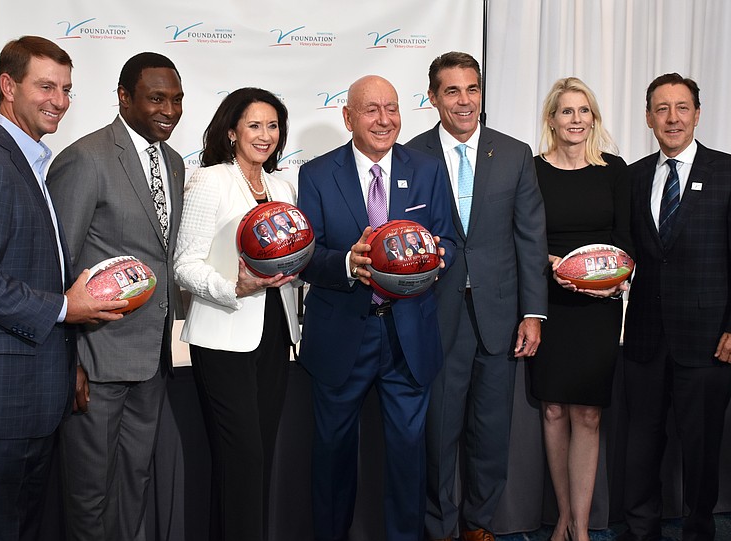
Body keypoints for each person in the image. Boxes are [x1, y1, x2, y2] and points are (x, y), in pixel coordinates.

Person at [0, 36, 126, 541]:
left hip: (26, 401)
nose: (59, 100)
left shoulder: (26, 161)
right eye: (46, 86)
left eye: (66, 89)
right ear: (8, 86)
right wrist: (63, 307)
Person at [297, 74, 456, 541]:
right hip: (343, 332)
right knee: (332, 455)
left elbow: (446, 239)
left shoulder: (427, 169)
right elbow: (306, 256)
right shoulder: (317, 174)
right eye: (371, 109)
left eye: (391, 108)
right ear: (348, 117)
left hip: (407, 336)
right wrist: (351, 262)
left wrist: (433, 259)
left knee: (408, 459)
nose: (384, 119)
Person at [619, 73, 731, 541]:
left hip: (709, 342)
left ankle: (699, 530)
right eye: (661, 108)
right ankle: (641, 530)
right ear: (648, 117)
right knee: (642, 442)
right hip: (645, 338)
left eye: (682, 107)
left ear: (697, 114)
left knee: (702, 447)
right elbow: (627, 251)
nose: (672, 118)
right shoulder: (635, 174)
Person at [405, 51, 547, 541]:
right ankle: (439, 527)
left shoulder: (514, 153)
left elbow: (530, 238)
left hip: (500, 315)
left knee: (491, 432)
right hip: (435, 313)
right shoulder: (412, 155)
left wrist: (533, 313)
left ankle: (479, 526)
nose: (465, 102)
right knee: (438, 433)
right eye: (452, 91)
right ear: (433, 98)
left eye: (473, 89)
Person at [47, 52, 185, 541]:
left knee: (136, 484)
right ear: (123, 97)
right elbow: (54, 265)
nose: (168, 110)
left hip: (150, 362)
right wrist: (70, 360)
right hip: (95, 361)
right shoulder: (86, 158)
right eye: (155, 98)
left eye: (176, 99)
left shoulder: (172, 161)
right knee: (90, 496)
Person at [174, 87, 301, 541]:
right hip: (223, 335)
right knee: (242, 455)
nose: (265, 135)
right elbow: (184, 265)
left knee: (257, 456)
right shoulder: (210, 181)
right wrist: (233, 287)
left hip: (275, 332)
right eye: (254, 125)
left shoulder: (283, 186)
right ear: (231, 132)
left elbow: (290, 257)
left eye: (272, 126)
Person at [527, 77, 631, 541]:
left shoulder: (614, 170)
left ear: (594, 118)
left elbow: (628, 239)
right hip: (549, 304)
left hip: (599, 306)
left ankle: (583, 528)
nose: (575, 120)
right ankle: (564, 516)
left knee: (587, 413)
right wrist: (550, 263)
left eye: (583, 111)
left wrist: (614, 281)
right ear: (551, 119)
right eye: (566, 111)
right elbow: (524, 236)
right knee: (553, 410)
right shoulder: (532, 170)